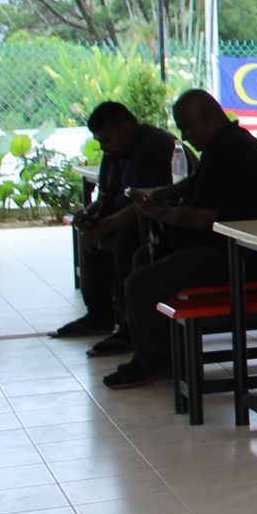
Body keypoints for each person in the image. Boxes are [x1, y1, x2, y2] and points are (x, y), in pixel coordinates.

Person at [103, 89, 257, 391]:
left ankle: (154, 361)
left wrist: (155, 211)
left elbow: (199, 217)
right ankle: (167, 351)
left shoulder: (229, 150)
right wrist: (161, 194)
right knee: (143, 257)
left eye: (188, 127)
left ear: (206, 116)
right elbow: (196, 185)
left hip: (238, 257)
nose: (185, 135)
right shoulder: (226, 143)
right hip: (226, 249)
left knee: (140, 282)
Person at [52, 102, 182, 356]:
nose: (103, 147)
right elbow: (106, 196)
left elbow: (146, 204)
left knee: (126, 240)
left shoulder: (154, 148)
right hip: (127, 217)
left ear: (126, 128)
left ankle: (128, 326)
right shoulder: (115, 152)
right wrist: (90, 215)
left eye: (107, 140)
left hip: (156, 223)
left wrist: (103, 227)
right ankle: (99, 315)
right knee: (91, 236)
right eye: (100, 141)